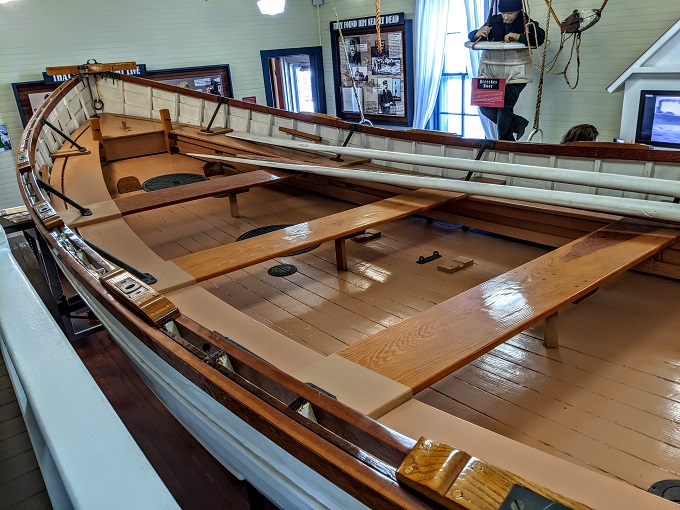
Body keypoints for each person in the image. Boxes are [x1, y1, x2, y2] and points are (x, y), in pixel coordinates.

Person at [469, 0, 545, 141]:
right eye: (503, 13)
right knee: (484, 105)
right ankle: (517, 124)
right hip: (493, 69)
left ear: (518, 11)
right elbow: (474, 35)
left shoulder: (525, 21)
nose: (505, 17)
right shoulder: (494, 20)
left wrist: (519, 37)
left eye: (510, 13)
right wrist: (476, 34)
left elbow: (540, 37)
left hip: (516, 70)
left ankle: (505, 141)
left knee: (504, 105)